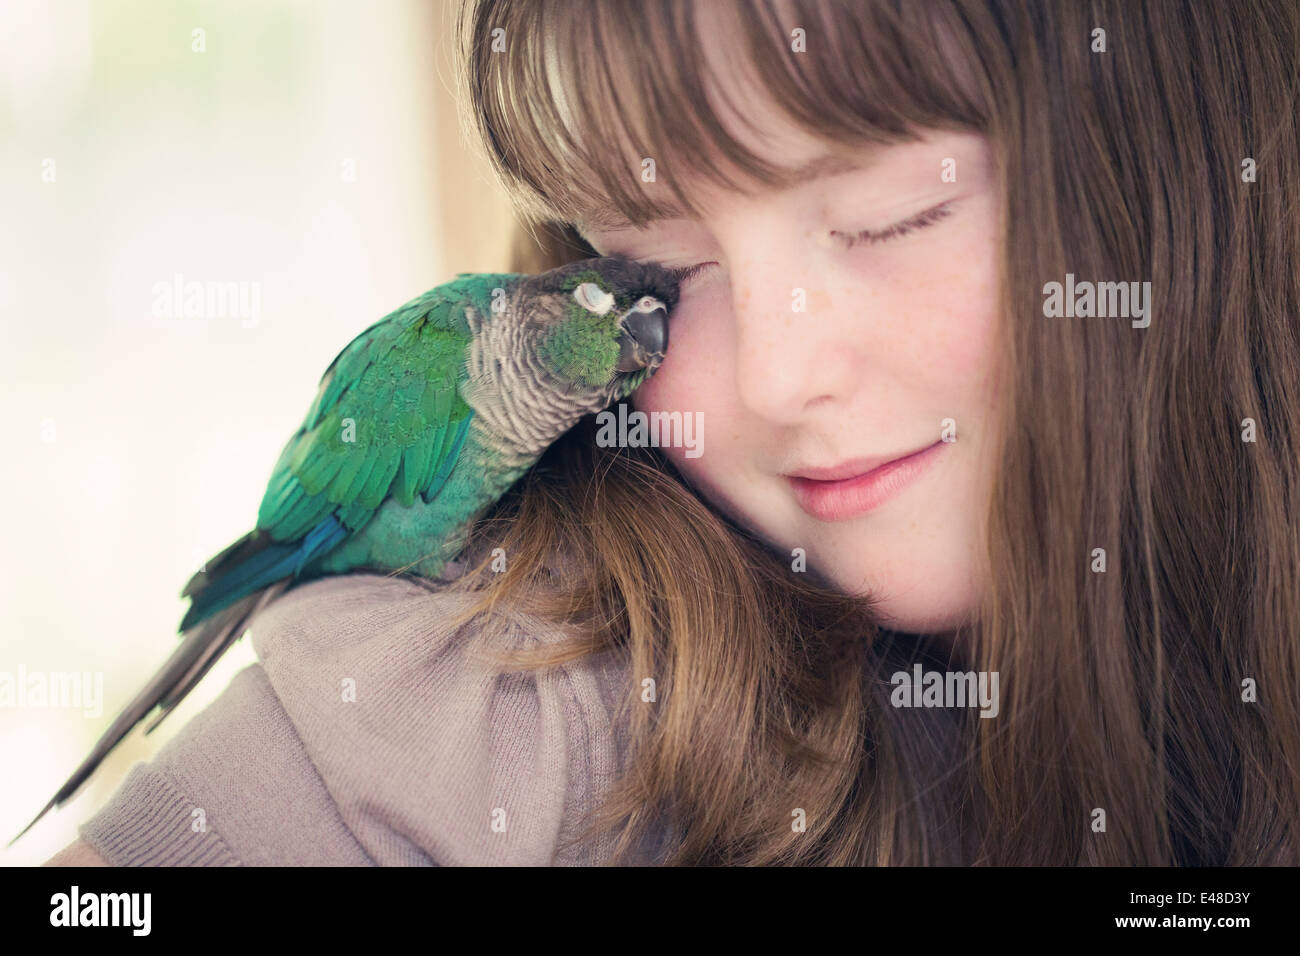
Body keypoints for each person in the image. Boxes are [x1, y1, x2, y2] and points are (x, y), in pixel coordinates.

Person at [51, 0, 1300, 866]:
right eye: (655, 263)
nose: (776, 373)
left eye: (887, 215)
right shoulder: (509, 700)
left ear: (1167, 178)